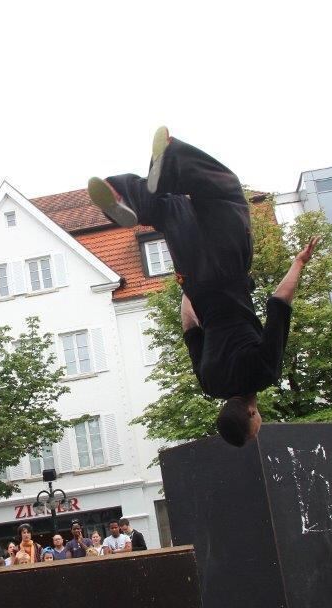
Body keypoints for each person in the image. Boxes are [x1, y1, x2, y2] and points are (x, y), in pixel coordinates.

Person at [88, 127, 317, 446]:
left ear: (252, 415)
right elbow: (190, 326)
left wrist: (299, 263)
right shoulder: (210, 383)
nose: (261, 423)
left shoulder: (264, 372)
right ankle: (124, 197)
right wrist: (189, 283)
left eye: (257, 428)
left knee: (226, 191)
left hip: (228, 268)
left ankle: (169, 163)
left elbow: (279, 303)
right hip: (194, 280)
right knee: (172, 209)